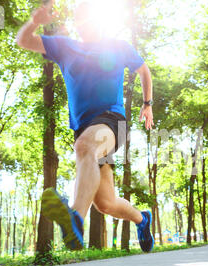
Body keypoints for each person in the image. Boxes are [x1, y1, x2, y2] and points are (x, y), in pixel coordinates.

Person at [16, 0, 154, 252]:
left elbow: (144, 71)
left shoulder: (118, 47)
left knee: (85, 146)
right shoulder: (65, 46)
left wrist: (148, 103)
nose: (86, 23)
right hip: (86, 128)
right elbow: (23, 40)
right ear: (77, 24)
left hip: (113, 121)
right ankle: (141, 219)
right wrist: (34, 22)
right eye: (81, 19)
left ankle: (75, 220)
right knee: (106, 203)